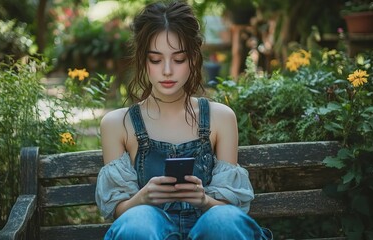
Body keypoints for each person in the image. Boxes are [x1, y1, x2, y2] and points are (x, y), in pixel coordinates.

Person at [95, 1, 272, 239]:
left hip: (208, 228)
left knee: (222, 220)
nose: (167, 71)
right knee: (137, 221)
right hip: (151, 230)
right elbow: (120, 213)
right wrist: (143, 198)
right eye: (156, 60)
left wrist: (204, 199)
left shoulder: (220, 118)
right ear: (142, 60)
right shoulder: (118, 124)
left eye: (178, 59)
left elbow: (231, 213)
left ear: (193, 58)